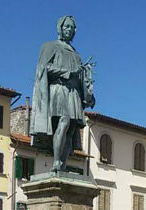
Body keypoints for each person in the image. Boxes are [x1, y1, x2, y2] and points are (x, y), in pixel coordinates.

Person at [30, 15, 95, 172]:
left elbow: (80, 79)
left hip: (73, 93)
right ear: (60, 28)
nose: (69, 30)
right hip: (59, 90)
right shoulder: (50, 46)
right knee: (63, 123)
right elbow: (43, 69)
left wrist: (88, 91)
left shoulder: (76, 55)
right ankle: (57, 162)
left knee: (71, 129)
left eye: (72, 28)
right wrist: (68, 72)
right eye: (66, 27)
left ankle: (63, 164)